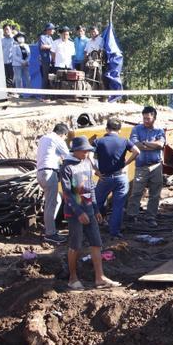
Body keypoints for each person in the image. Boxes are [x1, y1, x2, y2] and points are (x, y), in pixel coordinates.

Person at [60, 136, 121, 290]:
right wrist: (79, 212)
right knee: (75, 244)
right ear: (76, 150)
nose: (86, 154)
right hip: (74, 212)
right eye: (83, 151)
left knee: (96, 243)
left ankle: (99, 277)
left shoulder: (87, 164)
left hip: (88, 208)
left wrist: (95, 209)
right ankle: (72, 278)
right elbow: (68, 194)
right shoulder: (67, 167)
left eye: (88, 151)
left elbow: (90, 187)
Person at [93, 118, 139, 241]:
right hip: (121, 178)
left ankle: (96, 226)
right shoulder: (124, 141)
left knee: (97, 202)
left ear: (106, 129)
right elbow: (137, 151)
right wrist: (126, 163)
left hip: (104, 178)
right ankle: (115, 233)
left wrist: (96, 170)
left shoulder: (99, 141)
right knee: (118, 206)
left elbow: (86, 155)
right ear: (119, 130)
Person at [127, 106, 166, 228]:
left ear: (154, 118)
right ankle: (132, 216)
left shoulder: (159, 130)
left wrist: (143, 143)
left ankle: (151, 217)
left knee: (155, 193)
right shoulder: (136, 129)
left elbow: (160, 144)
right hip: (141, 167)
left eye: (148, 118)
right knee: (136, 192)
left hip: (156, 166)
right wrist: (150, 145)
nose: (145, 121)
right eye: (144, 118)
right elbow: (135, 144)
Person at [36, 123, 71, 244]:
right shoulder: (57, 139)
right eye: (65, 137)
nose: (65, 139)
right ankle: (50, 234)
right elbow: (68, 156)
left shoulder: (43, 138)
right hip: (49, 173)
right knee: (51, 203)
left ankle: (49, 227)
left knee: (56, 200)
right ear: (64, 134)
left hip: (41, 173)